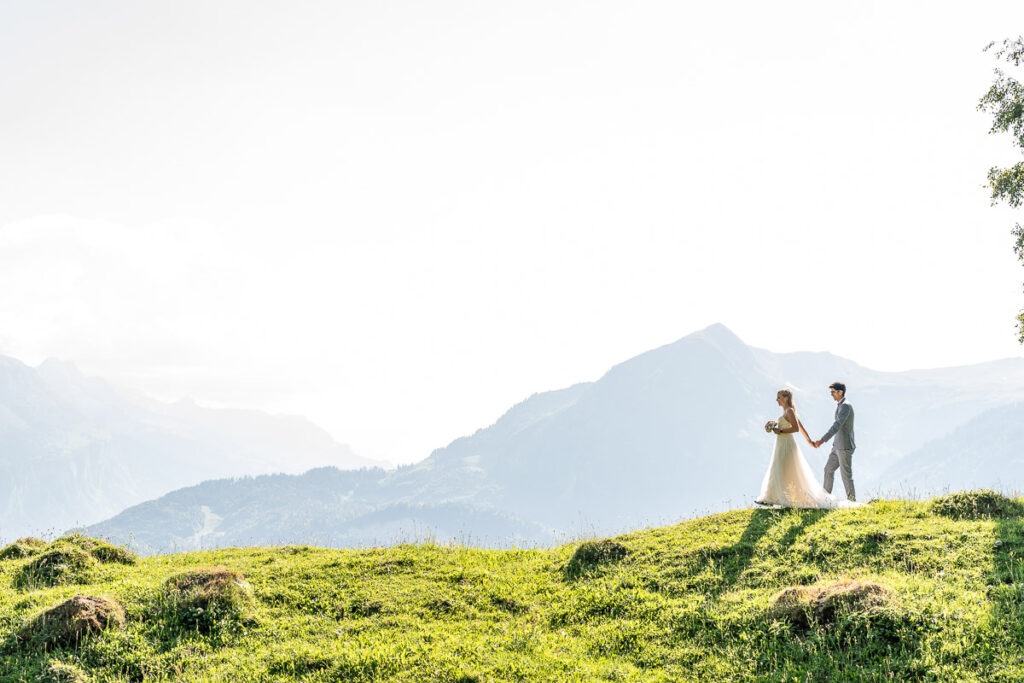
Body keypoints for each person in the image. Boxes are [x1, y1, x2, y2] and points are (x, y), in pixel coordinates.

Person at [755, 389, 851, 508]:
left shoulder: (789, 410)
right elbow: (800, 427)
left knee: (781, 468)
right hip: (781, 443)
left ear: (785, 398)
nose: (777, 400)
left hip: (786, 444)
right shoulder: (788, 411)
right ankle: (772, 497)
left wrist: (779, 430)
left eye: (779, 397)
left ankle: (776, 498)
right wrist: (809, 441)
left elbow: (795, 428)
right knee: (779, 468)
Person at [811, 382, 856, 502]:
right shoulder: (841, 405)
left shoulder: (845, 406)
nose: (831, 395)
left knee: (846, 475)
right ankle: (825, 499)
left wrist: (822, 440)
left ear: (840, 392)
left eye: (833, 392)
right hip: (837, 446)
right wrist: (834, 445)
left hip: (845, 446)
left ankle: (852, 501)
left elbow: (837, 426)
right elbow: (840, 429)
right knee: (828, 469)